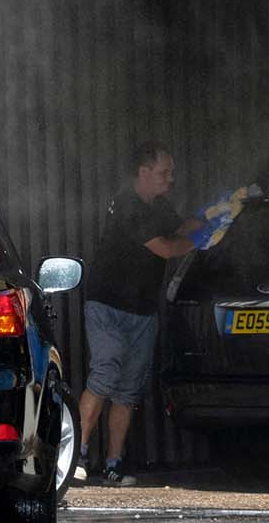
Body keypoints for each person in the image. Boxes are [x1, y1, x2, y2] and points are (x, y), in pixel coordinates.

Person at [77, 141, 205, 487]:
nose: (170, 179)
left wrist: (213, 216)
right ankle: (77, 456)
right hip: (107, 306)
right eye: (165, 172)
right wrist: (203, 239)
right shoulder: (126, 205)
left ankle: (113, 464)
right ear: (143, 172)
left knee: (128, 391)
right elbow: (166, 248)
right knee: (104, 375)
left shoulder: (159, 205)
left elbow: (178, 229)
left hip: (143, 311)